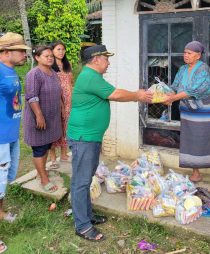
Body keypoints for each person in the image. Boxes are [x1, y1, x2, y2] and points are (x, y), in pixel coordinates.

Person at [67, 44, 152, 241]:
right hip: (84, 138)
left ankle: (87, 216)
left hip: (89, 137)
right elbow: (116, 94)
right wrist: (137, 96)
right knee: (81, 182)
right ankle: (83, 226)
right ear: (96, 59)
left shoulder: (93, 77)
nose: (108, 62)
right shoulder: (90, 76)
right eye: (106, 58)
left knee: (86, 180)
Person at [163, 41, 210, 197]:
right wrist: (163, 93)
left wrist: (173, 98)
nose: (186, 55)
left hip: (208, 109)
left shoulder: (203, 68)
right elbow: (175, 86)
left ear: (198, 56)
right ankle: (196, 173)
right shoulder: (183, 69)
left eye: (189, 53)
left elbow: (192, 90)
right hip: (189, 110)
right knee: (192, 140)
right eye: (185, 52)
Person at [23, 46, 62, 193]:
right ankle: (44, 179)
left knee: (46, 146)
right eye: (46, 56)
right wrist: (39, 115)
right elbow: (32, 96)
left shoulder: (53, 73)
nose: (50, 58)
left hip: (51, 119)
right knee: (39, 148)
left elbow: (58, 94)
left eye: (51, 56)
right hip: (38, 119)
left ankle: (43, 171)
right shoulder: (34, 74)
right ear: (37, 58)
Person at [0, 32, 30, 221]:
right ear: (5, 51)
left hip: (11, 133)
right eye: (20, 50)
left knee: (5, 176)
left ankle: (1, 211)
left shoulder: (11, 71)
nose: (24, 54)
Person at [48, 41, 73, 169]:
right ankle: (52, 159)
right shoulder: (49, 66)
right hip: (55, 100)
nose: (61, 52)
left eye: (63, 49)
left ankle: (63, 154)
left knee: (65, 128)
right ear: (52, 50)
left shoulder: (67, 65)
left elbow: (71, 82)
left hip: (69, 100)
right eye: (58, 49)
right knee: (54, 128)